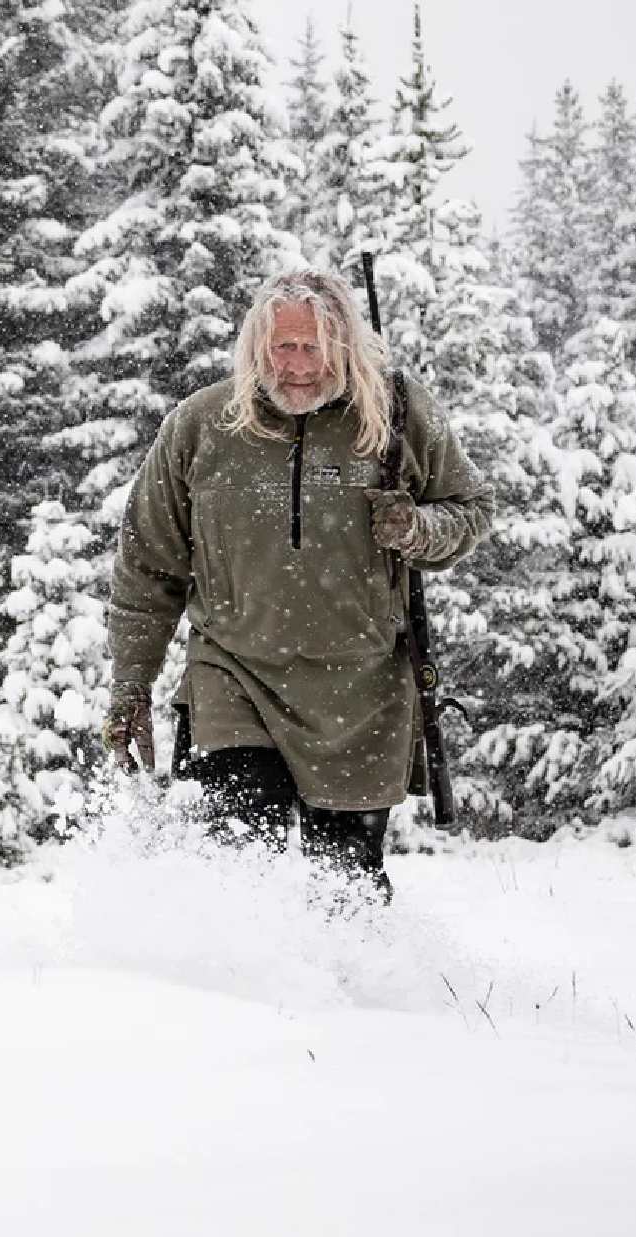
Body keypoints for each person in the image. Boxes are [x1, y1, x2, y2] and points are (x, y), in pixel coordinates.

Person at [101, 269, 494, 898]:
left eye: (314, 347)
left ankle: (351, 991)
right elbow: (148, 566)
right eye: (282, 347)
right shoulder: (201, 424)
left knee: (347, 888)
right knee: (231, 864)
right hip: (233, 677)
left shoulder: (394, 412)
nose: (298, 365)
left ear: (345, 346)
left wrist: (415, 528)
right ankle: (225, 990)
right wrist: (130, 686)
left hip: (359, 694)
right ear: (256, 346)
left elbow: (470, 509)